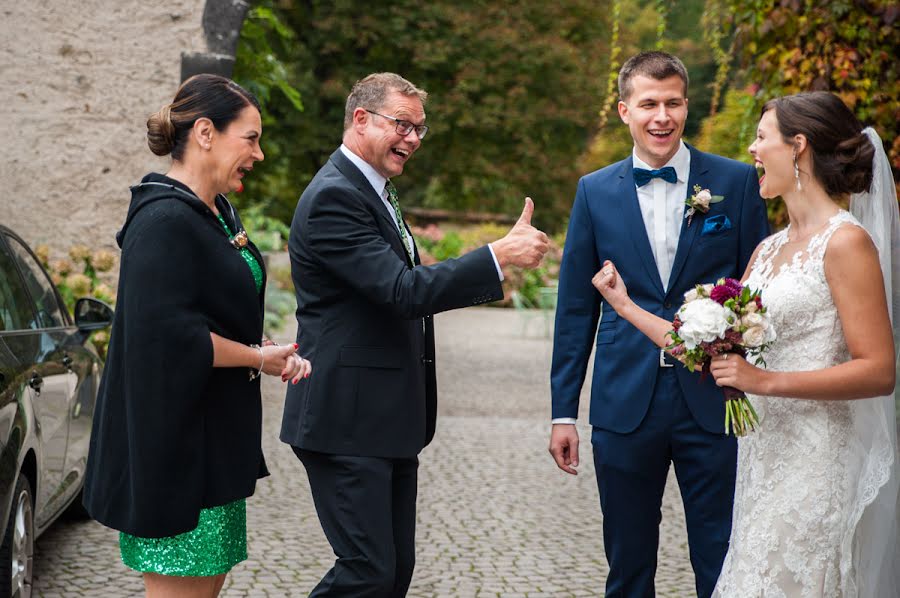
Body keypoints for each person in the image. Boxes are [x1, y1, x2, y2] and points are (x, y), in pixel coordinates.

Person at [593, 91, 900, 596]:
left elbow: (879, 369)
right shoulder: (767, 249)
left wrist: (765, 381)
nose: (753, 151)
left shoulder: (845, 242)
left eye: (763, 138)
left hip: (815, 462)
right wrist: (625, 307)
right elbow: (707, 346)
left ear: (798, 146)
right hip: (759, 460)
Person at [281, 72, 550, 597]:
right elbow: (402, 291)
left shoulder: (374, 190)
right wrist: (496, 256)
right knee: (367, 572)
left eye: (419, 129)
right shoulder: (336, 196)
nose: (411, 139)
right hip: (345, 421)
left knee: (392, 574)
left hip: (384, 421)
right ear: (360, 119)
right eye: (401, 125)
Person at [548, 51, 770, 597]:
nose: (661, 116)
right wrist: (562, 412)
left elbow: (760, 292)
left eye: (672, 103)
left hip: (714, 398)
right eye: (648, 104)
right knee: (628, 562)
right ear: (625, 110)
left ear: (686, 106)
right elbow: (576, 308)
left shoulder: (736, 183)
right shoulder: (593, 191)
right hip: (625, 401)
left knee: (721, 554)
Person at [83, 74, 312, 598]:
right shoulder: (163, 220)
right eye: (250, 137)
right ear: (205, 132)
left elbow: (216, 306)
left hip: (211, 446)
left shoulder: (217, 212)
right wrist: (259, 359)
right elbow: (169, 338)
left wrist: (262, 348)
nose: (259, 153)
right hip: (173, 454)